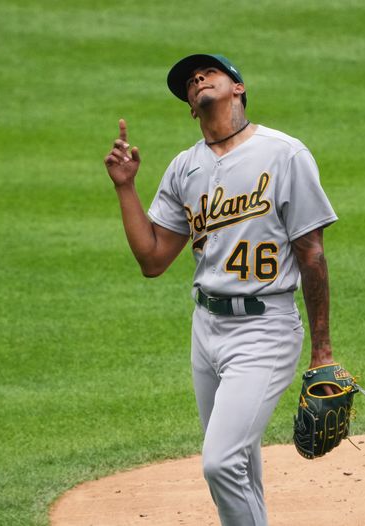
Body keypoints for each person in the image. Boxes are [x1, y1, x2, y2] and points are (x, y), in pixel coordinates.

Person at [103, 53, 340, 525]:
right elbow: (153, 259)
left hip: (265, 329)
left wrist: (323, 351)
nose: (196, 80)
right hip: (205, 329)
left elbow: (311, 253)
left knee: (219, 461)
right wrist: (125, 188)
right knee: (240, 462)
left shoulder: (284, 153)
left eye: (207, 72)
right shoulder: (183, 168)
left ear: (238, 87)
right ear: (191, 108)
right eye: (189, 83)